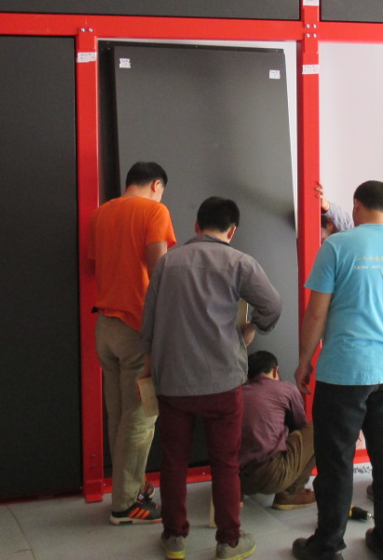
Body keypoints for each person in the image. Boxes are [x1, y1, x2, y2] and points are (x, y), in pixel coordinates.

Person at [140, 197, 282, 560]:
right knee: (225, 462)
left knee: (173, 460)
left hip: (172, 380)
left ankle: (174, 538)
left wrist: (148, 367)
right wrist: (250, 330)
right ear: (232, 231)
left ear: (196, 225)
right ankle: (229, 541)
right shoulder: (239, 262)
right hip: (222, 381)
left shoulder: (167, 262)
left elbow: (149, 323)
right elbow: (273, 306)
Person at [293, 181, 383, 560]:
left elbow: (317, 312)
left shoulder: (336, 246)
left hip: (344, 372)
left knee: (335, 459)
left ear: (356, 206)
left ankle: (328, 544)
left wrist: (304, 360)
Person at [88, 161, 177, 525]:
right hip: (137, 329)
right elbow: (160, 270)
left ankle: (132, 486)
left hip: (105, 327)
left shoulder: (101, 213)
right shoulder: (155, 210)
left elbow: (97, 264)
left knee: (120, 415)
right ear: (157, 184)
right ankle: (125, 504)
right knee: (141, 417)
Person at [240, 351, 316, 509]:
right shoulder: (286, 388)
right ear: (275, 370)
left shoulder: (237, 393)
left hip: (237, 480)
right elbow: (300, 428)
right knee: (319, 427)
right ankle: (291, 493)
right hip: (272, 476)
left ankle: (236, 496)